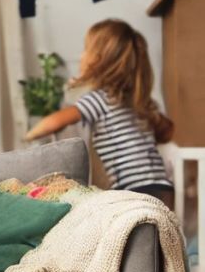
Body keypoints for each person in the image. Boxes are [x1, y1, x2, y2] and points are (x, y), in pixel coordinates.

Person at [26, 19, 175, 208]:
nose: (82, 55)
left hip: (134, 190)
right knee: (160, 234)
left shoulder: (99, 99)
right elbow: (168, 130)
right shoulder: (137, 103)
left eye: (86, 49)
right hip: (163, 189)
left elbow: (54, 122)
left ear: (98, 59)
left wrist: (27, 136)